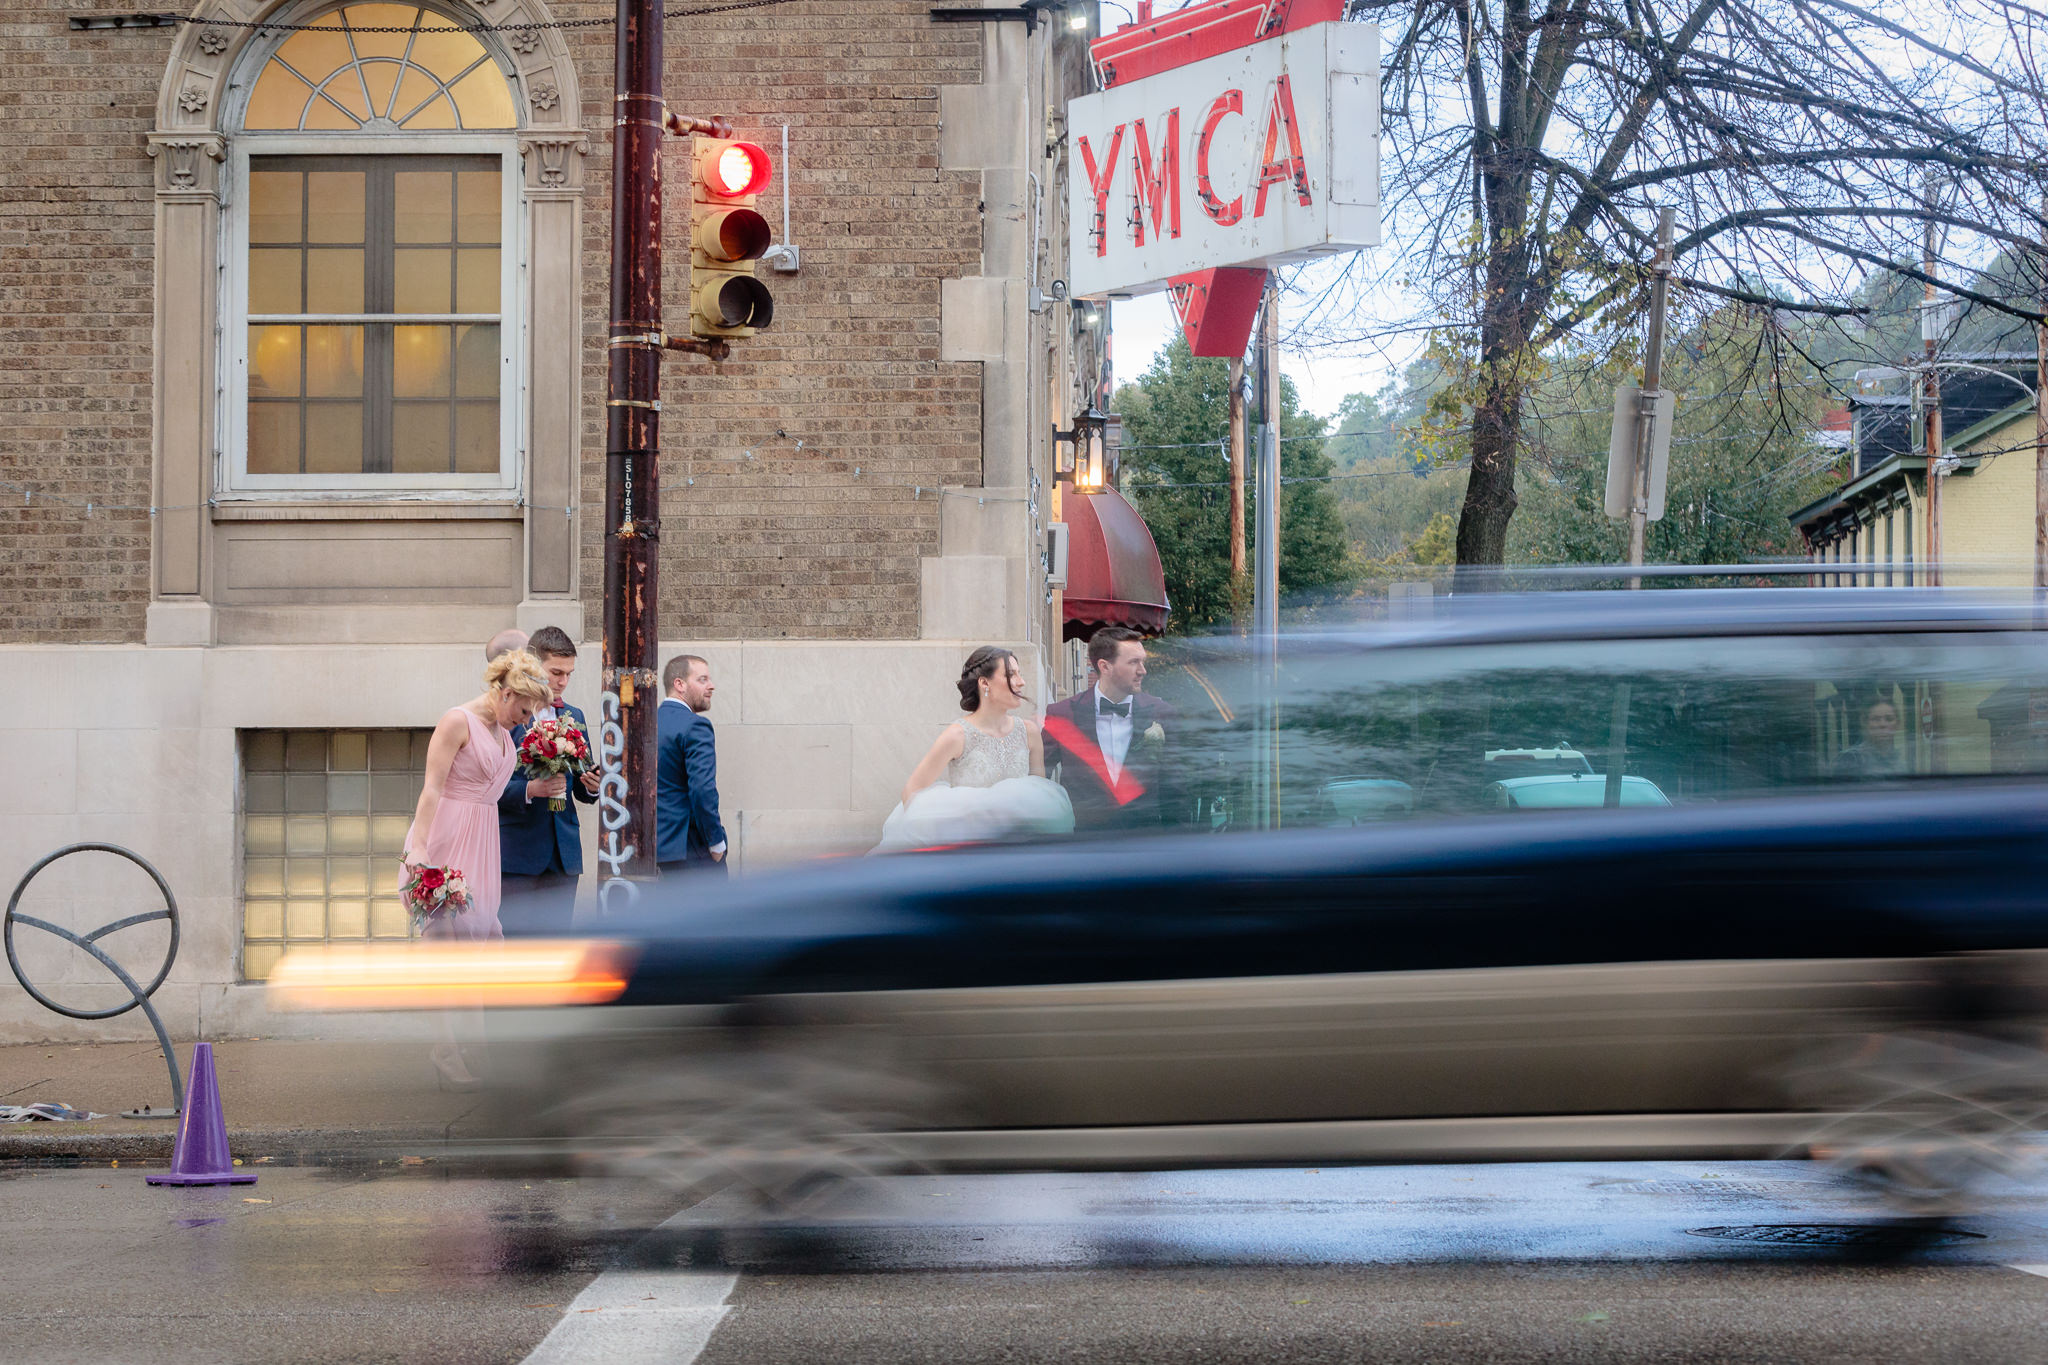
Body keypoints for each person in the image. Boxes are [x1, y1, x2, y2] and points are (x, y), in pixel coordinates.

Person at [399, 649, 549, 1085]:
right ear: (504, 693)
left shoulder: (504, 734)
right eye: (522, 709)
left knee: (481, 945)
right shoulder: (456, 721)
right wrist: (420, 852)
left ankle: (477, 1048)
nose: (524, 720)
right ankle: (446, 1050)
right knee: (444, 948)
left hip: (483, 841)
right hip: (447, 838)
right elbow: (431, 790)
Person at [872, 646, 1074, 853]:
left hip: (1016, 852)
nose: (1021, 682)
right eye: (1010, 675)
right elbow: (911, 793)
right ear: (984, 683)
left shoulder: (1029, 732)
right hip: (968, 854)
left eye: (1019, 674)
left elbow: (1038, 796)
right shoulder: (958, 735)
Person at [497, 626, 599, 936]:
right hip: (518, 854)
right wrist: (530, 790)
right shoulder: (507, 714)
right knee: (515, 947)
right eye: (556, 672)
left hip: (564, 854)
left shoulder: (575, 715)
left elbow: (582, 787)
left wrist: (591, 785)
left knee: (556, 949)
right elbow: (486, 785)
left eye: (569, 674)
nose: (563, 681)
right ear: (533, 664)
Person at [1042, 626, 1177, 833]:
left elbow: (1176, 788)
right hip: (1081, 845)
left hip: (1145, 846)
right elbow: (1039, 781)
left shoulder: (1161, 714)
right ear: (1105, 667)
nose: (1143, 670)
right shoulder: (1062, 714)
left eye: (1143, 661)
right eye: (1134, 662)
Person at [657, 654, 728, 875]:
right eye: (703, 679)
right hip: (692, 849)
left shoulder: (647, 721)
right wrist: (716, 841)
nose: (711, 686)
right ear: (680, 684)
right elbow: (702, 790)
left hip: (657, 849)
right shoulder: (696, 726)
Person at [1835, 695, 1908, 779]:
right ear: (1865, 723)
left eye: (1889, 719)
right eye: (1876, 719)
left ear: (1897, 724)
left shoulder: (1901, 763)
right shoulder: (1850, 759)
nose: (1882, 724)